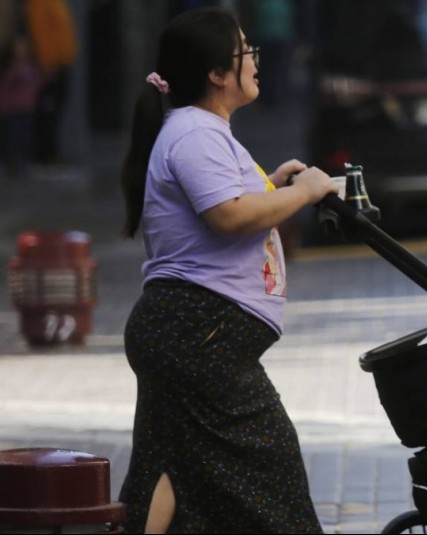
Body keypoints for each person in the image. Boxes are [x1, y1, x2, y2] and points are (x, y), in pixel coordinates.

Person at [118, 7, 340, 534]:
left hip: (190, 337)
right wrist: (304, 193)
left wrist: (278, 187)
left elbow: (236, 200)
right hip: (198, 337)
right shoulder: (195, 132)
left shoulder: (199, 130)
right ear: (217, 73)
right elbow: (228, 215)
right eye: (246, 52)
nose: (256, 61)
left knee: (168, 466)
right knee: (270, 462)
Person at [23, 0, 76, 164]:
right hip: (51, 64)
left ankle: (50, 152)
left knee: (55, 108)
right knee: (48, 110)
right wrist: (46, 62)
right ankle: (45, 154)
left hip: (60, 61)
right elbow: (40, 30)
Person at [0, 33, 42, 178]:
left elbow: (36, 83)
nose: (21, 50)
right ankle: (12, 163)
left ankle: (24, 162)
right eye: (18, 47)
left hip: (27, 107)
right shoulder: (10, 68)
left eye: (23, 46)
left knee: (25, 135)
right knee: (12, 136)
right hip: (12, 108)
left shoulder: (31, 67)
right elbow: (5, 88)